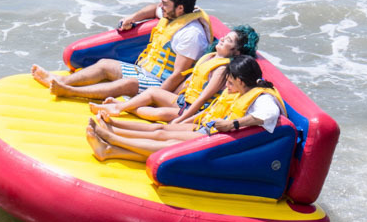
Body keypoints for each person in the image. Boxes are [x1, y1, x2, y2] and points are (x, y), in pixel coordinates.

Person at [85, 54, 286, 164]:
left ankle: (112, 139)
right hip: (211, 128)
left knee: (169, 141)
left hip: (225, 141)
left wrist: (232, 123)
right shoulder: (243, 89)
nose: (227, 86)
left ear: (241, 81)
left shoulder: (263, 99)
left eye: (230, 82)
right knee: (161, 130)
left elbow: (267, 115)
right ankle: (111, 133)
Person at [31, 0, 211, 101]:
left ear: (180, 8)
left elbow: (178, 75)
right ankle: (59, 81)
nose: (161, 6)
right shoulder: (171, 14)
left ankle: (70, 91)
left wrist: (156, 97)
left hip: (161, 83)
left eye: (165, 3)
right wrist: (132, 18)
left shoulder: (191, 35)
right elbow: (152, 9)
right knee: (104, 64)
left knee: (128, 84)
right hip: (145, 71)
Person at [88, 25, 259, 123]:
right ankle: (119, 107)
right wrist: (167, 97)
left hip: (192, 109)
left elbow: (202, 98)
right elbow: (188, 82)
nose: (221, 39)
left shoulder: (222, 69)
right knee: (152, 93)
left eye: (228, 41)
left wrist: (181, 119)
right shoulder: (210, 56)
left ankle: (122, 108)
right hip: (182, 101)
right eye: (225, 37)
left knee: (154, 113)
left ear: (236, 52)